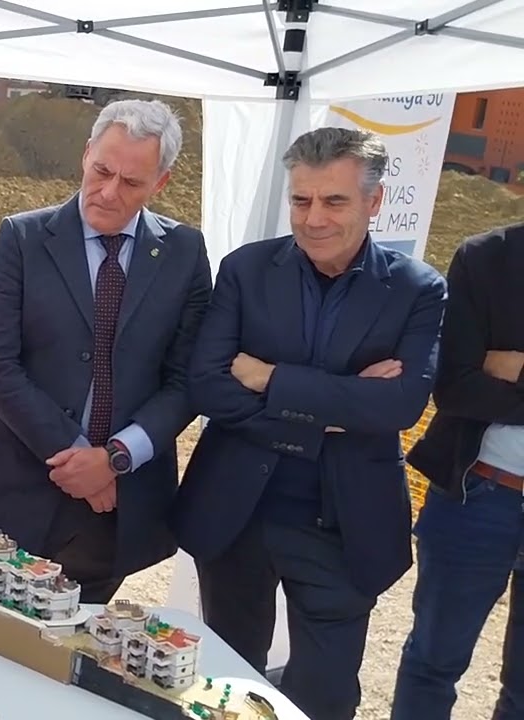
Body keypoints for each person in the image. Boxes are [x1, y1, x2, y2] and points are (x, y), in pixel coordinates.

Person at [174, 126, 446, 720]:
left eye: (334, 201)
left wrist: (271, 378)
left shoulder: (417, 290)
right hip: (237, 515)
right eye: (301, 200)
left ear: (374, 203)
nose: (314, 218)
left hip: (343, 525)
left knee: (324, 695)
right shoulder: (246, 269)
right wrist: (336, 408)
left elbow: (398, 406)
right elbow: (209, 384)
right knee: (228, 684)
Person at [0, 98, 213, 603]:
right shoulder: (23, 238)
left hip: (120, 506)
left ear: (160, 183)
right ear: (85, 155)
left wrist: (117, 458)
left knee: (84, 656)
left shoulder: (184, 253)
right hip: (23, 491)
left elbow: (187, 378)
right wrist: (80, 458)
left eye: (131, 182)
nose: (108, 191)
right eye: (102, 170)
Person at [394, 221, 524, 719]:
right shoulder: (485, 258)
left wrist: (514, 369)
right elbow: (455, 388)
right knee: (433, 662)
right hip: (479, 496)